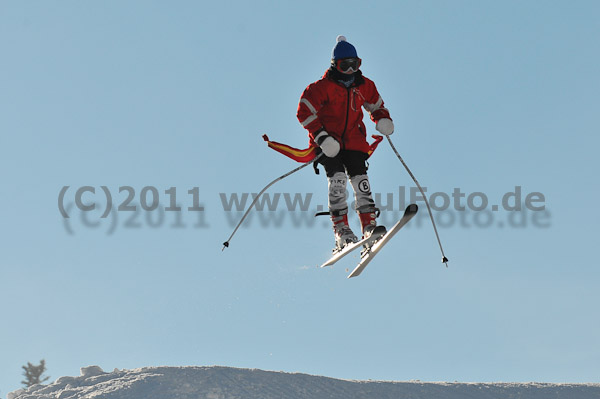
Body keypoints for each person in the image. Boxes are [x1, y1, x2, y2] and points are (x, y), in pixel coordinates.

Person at [297, 35, 395, 252]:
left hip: (354, 141)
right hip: (328, 143)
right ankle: (341, 230)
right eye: (345, 65)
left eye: (355, 65)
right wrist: (321, 137)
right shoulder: (321, 87)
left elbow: (376, 105)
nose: (351, 71)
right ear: (335, 65)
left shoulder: (364, 85)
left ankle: (369, 225)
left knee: (361, 180)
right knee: (338, 179)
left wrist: (382, 119)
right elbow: (304, 112)